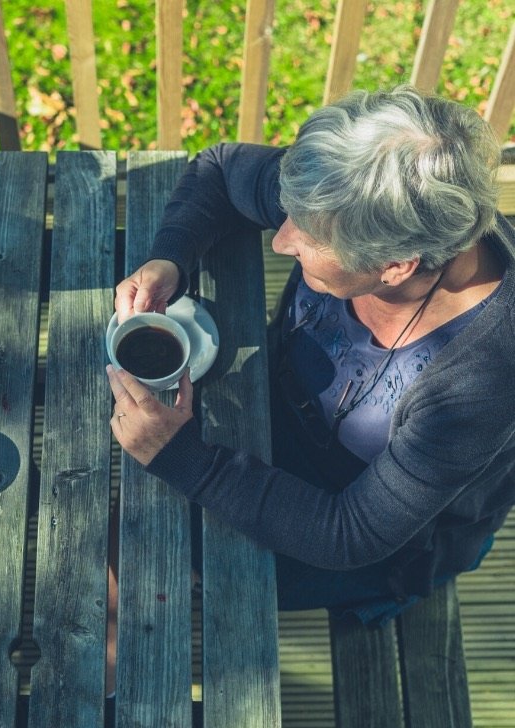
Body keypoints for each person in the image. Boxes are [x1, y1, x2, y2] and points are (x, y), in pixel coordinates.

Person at [107, 86, 515, 626]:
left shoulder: (483, 381)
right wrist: (172, 256)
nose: (281, 240)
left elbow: (352, 532)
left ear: (395, 266)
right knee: (119, 530)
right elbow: (222, 168)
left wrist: (186, 461)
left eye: (306, 236)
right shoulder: (354, 197)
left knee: (154, 557)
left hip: (362, 527)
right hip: (272, 424)